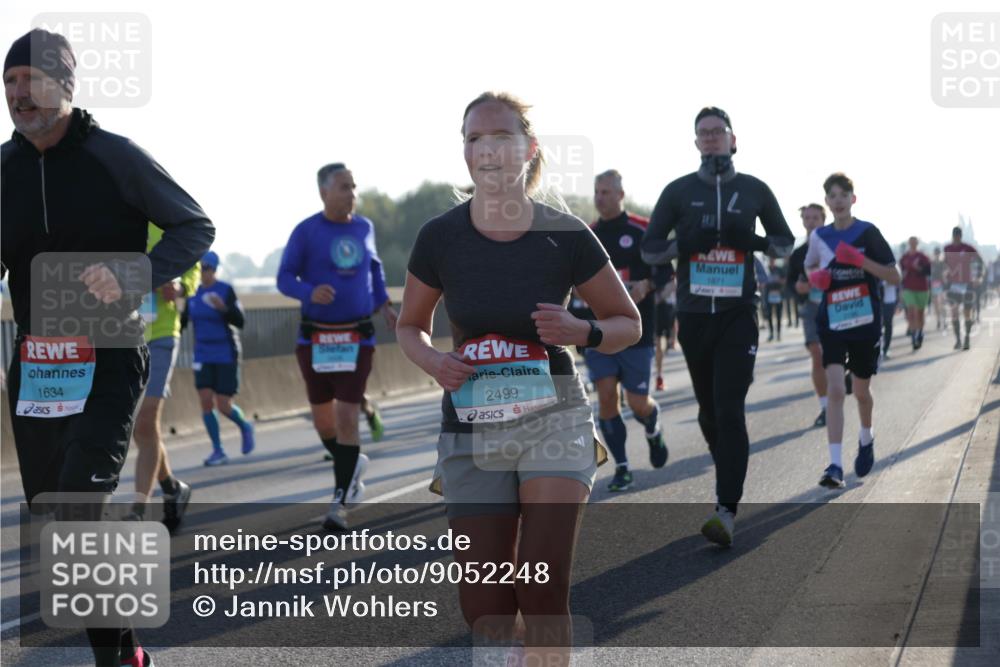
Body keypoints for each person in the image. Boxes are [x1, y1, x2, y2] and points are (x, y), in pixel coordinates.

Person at [397, 91, 639, 662]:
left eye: (501, 137)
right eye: (474, 139)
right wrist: (434, 362)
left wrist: (582, 330)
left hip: (554, 418)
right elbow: (410, 326)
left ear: (528, 149)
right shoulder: (440, 237)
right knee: (485, 604)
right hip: (472, 426)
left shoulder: (566, 233)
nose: (487, 150)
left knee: (541, 588)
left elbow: (628, 323)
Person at [1, 29, 213, 667]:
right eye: (9, 83)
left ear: (66, 85)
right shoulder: (3, 170)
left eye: (32, 81)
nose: (18, 95)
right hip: (37, 367)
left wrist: (134, 273)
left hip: (109, 358)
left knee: (78, 509)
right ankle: (129, 653)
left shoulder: (115, 157)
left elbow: (194, 225)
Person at [641, 106, 795, 547]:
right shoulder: (678, 191)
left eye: (717, 131)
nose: (711, 138)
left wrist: (755, 242)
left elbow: (786, 245)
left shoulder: (754, 189)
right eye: (703, 133)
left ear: (733, 139)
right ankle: (725, 462)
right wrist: (682, 245)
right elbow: (650, 249)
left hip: (738, 313)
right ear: (696, 143)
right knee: (709, 412)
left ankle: (725, 509)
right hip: (693, 317)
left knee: (729, 408)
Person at [277, 163, 397, 530]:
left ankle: (339, 503)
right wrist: (309, 291)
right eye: (344, 187)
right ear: (324, 193)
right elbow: (284, 277)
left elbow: (374, 269)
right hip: (314, 339)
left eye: (353, 186)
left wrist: (384, 305)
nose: (352, 194)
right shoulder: (306, 231)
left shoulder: (364, 227)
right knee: (324, 423)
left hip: (357, 337)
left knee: (347, 417)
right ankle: (352, 462)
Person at [805, 173, 899, 489]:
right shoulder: (819, 236)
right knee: (835, 390)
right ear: (827, 201)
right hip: (832, 321)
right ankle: (834, 465)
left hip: (864, 321)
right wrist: (816, 278)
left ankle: (866, 437)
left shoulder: (867, 232)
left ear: (853, 199)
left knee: (860, 392)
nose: (838, 200)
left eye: (843, 195)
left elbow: (894, 276)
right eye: (832, 196)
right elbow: (810, 266)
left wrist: (860, 260)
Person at [578, 169, 669, 492]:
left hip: (636, 331)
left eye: (606, 192)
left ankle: (652, 425)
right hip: (598, 331)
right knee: (606, 397)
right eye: (596, 192)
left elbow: (666, 270)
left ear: (620, 195)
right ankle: (622, 467)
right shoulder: (587, 235)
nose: (599, 198)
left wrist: (647, 285)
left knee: (638, 401)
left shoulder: (643, 229)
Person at [130, 223, 199, 530]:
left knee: (145, 421)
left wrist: (181, 287)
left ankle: (138, 509)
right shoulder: (115, 218)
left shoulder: (167, 218)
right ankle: (172, 487)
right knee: (140, 429)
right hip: (121, 335)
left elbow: (193, 265)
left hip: (160, 334)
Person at [181, 252, 254, 465]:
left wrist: (223, 308)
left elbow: (240, 321)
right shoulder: (193, 294)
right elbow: (182, 323)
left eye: (206, 268)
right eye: (199, 268)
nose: (203, 272)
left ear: (214, 269)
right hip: (202, 354)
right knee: (205, 401)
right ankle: (218, 450)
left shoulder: (225, 290)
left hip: (225, 352)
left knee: (223, 405)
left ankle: (245, 426)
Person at [788, 203, 828, 427]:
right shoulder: (798, 254)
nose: (811, 222)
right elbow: (790, 284)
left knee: (837, 356)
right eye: (807, 218)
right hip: (811, 308)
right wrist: (798, 288)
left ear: (823, 220)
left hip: (836, 306)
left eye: (815, 218)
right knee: (817, 354)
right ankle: (825, 407)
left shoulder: (834, 246)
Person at [943, 226, 984, 351]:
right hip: (953, 285)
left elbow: (980, 261)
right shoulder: (947, 248)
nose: (956, 238)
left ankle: (967, 338)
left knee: (967, 313)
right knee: (954, 313)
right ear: (952, 236)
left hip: (968, 284)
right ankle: (958, 340)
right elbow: (944, 264)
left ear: (960, 236)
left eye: (958, 236)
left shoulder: (968, 248)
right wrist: (944, 274)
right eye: (954, 236)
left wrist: (979, 277)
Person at [899, 236, 931, 351]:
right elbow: (900, 273)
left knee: (920, 314)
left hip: (922, 288)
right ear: (909, 243)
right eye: (911, 242)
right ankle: (913, 338)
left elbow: (929, 272)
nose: (913, 244)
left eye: (915, 242)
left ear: (917, 243)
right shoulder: (904, 258)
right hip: (908, 288)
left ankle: (920, 332)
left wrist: (918, 268)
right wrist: (901, 286)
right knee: (911, 312)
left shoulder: (923, 257)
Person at [653, 274, 677, 392]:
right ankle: (659, 376)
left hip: (666, 306)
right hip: (659, 307)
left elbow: (673, 284)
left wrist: (660, 296)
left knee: (659, 342)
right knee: (658, 342)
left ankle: (659, 376)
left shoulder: (668, 268)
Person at [763, 256, 785, 342]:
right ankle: (771, 334)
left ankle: (778, 334)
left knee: (779, 315)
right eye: (770, 260)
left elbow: (784, 280)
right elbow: (762, 281)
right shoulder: (766, 269)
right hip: (768, 294)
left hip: (778, 294)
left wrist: (779, 281)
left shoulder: (779, 269)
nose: (772, 261)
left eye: (773, 260)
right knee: (769, 315)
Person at [880, 279, 899, 360]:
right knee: (878, 326)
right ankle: (879, 348)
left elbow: (896, 279)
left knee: (888, 325)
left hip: (889, 300)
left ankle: (886, 348)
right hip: (875, 300)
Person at [930, 247, 946, 330]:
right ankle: (938, 321)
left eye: (938, 253)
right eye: (936, 253)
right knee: (936, 305)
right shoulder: (931, 263)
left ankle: (944, 320)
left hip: (941, 285)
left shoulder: (942, 263)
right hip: (933, 285)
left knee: (942, 304)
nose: (937, 255)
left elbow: (945, 274)